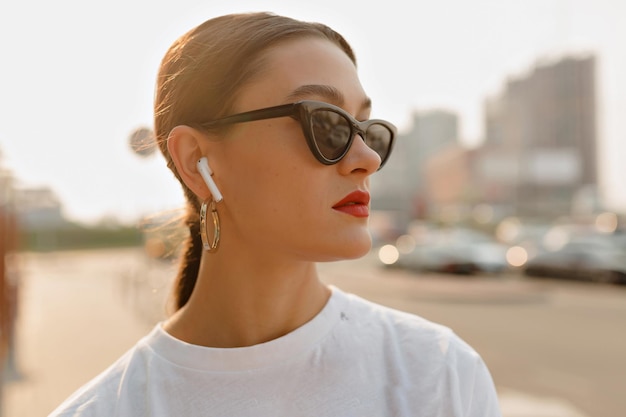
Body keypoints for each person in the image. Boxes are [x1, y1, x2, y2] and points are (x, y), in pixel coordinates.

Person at [50, 12, 502, 416]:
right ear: (197, 159)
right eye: (326, 124)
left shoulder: (437, 372)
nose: (367, 158)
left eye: (367, 129)